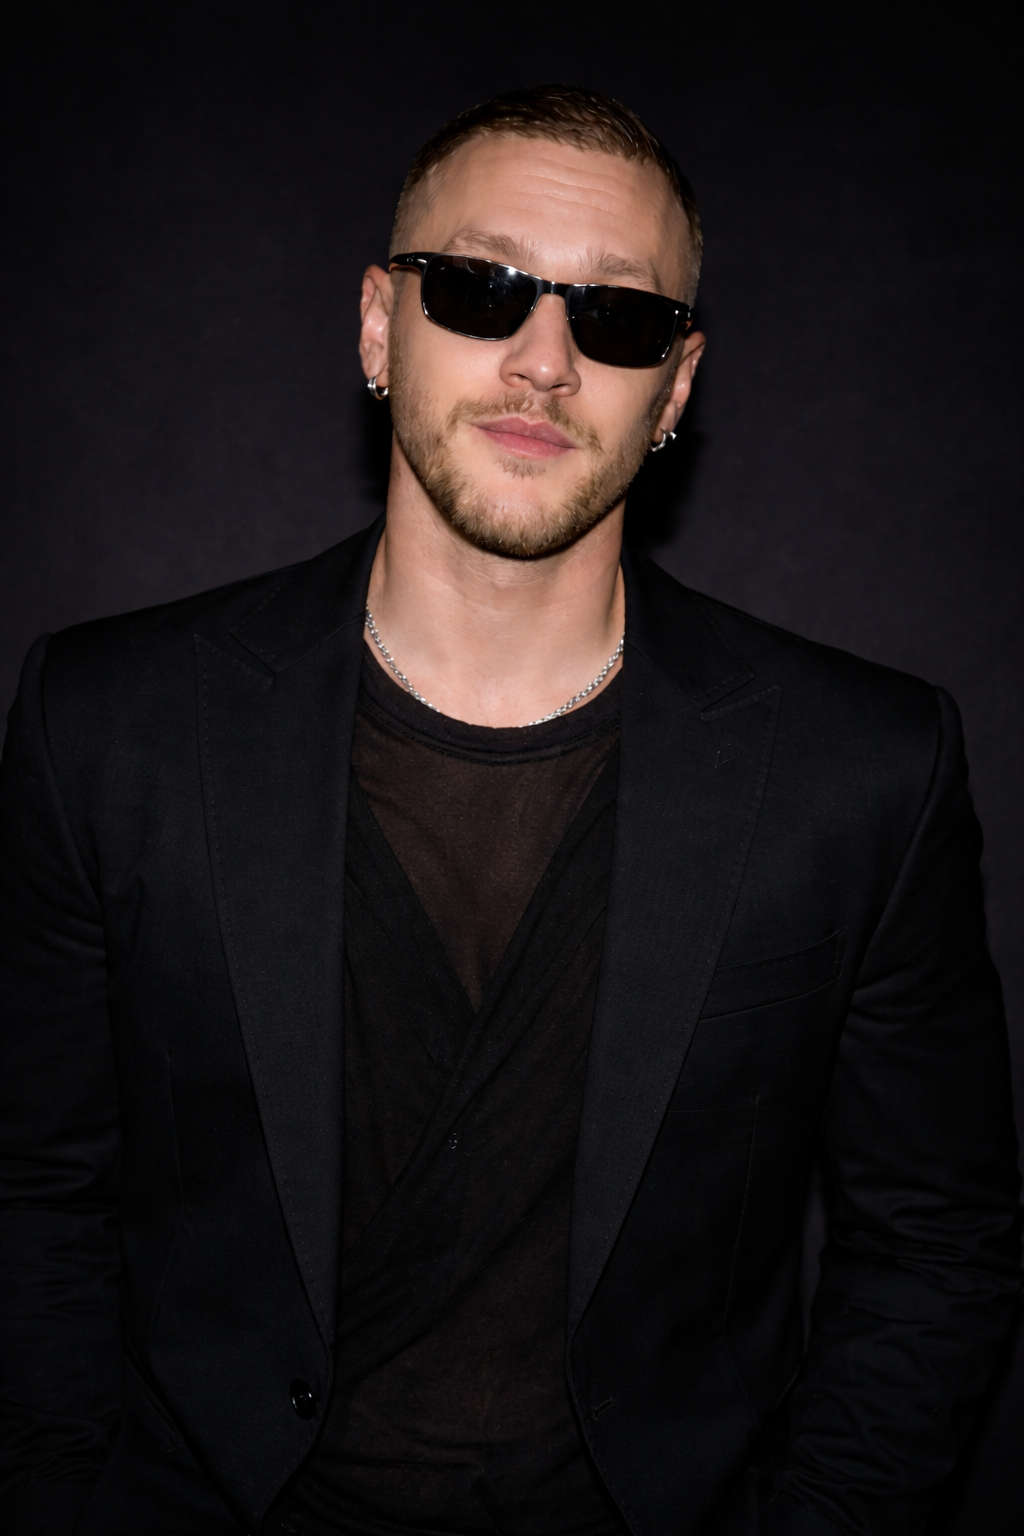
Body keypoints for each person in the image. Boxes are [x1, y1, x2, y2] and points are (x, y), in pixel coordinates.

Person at [0, 83, 1019, 1536]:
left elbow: (936, 1244)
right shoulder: (108, 723)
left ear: (674, 388)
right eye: (480, 290)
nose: (543, 361)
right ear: (377, 324)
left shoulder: (864, 767)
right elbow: (33, 1191)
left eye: (616, 320)